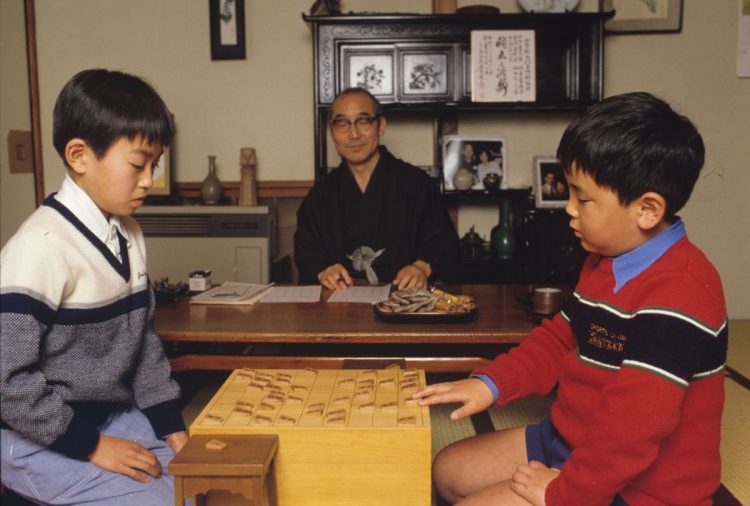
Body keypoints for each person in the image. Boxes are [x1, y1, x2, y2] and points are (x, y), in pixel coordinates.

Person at [413, 92, 727, 506]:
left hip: (643, 484)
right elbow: (559, 339)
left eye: (583, 198)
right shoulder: (603, 262)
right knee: (448, 469)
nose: (569, 210)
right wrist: (490, 385)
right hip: (572, 439)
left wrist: (563, 493)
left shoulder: (681, 290)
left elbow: (634, 426)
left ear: (647, 209)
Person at [0, 69, 188, 505]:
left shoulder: (131, 233)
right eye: (138, 165)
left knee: (201, 485)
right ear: (80, 156)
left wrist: (175, 431)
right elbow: (6, 382)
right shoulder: (38, 248)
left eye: (154, 165)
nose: (149, 180)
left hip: (109, 417)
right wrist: (94, 447)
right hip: (32, 435)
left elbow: (143, 348)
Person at [295, 87, 460, 290]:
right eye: (342, 124)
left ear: (380, 125)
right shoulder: (321, 195)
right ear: (331, 132)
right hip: (342, 305)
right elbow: (306, 251)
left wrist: (421, 267)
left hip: (404, 303)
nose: (354, 134)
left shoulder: (416, 184)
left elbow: (443, 241)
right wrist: (323, 271)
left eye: (363, 121)